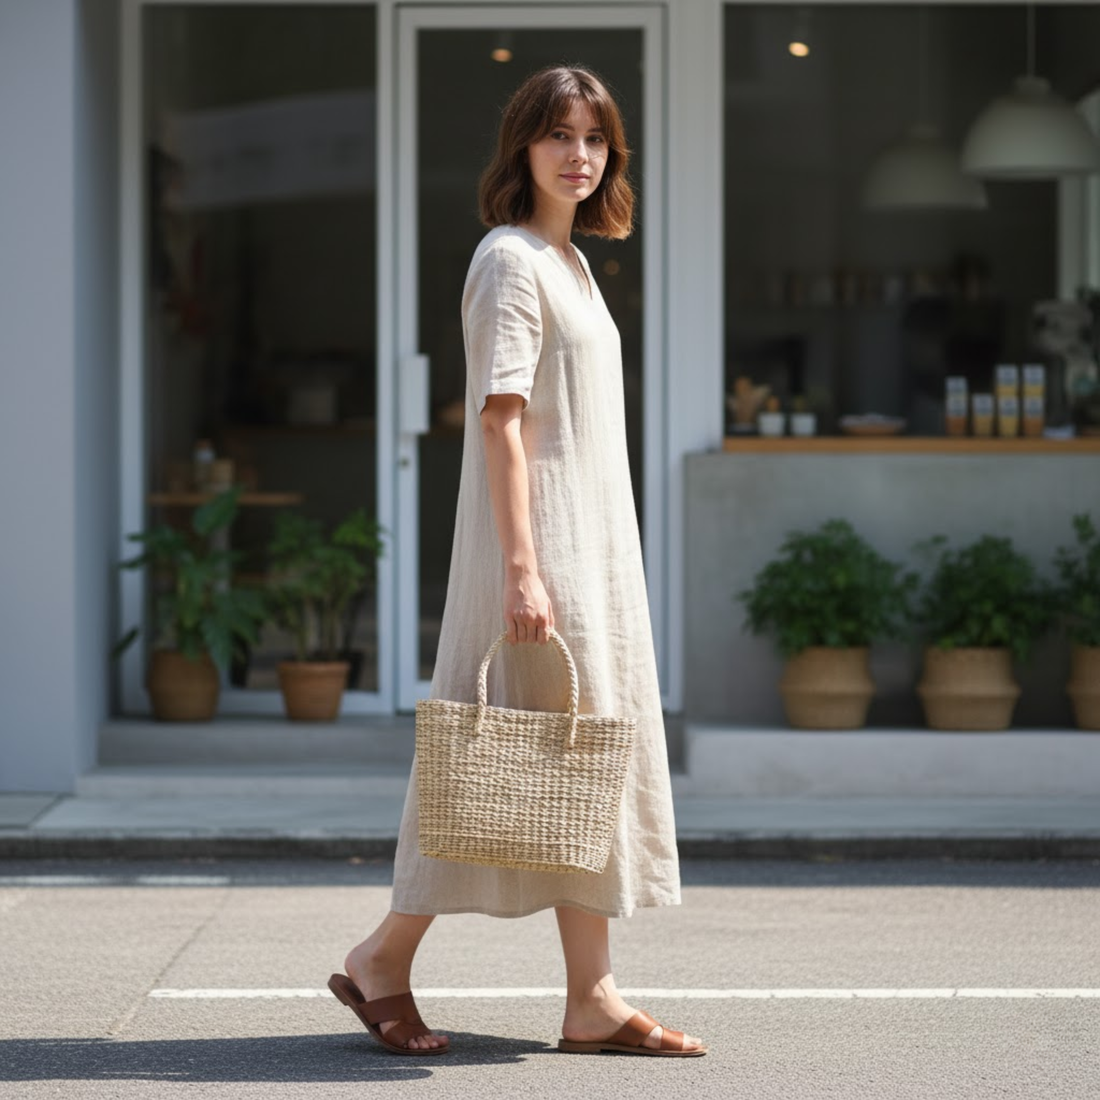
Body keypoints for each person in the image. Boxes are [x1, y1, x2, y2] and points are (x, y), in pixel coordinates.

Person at [328, 64, 704, 1058]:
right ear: (522, 148)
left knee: (580, 760)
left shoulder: (571, 261)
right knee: (487, 767)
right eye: (559, 136)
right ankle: (380, 956)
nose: (579, 156)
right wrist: (524, 567)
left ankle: (591, 996)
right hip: (541, 546)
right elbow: (500, 420)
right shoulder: (510, 259)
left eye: (595, 140)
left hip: (592, 541)